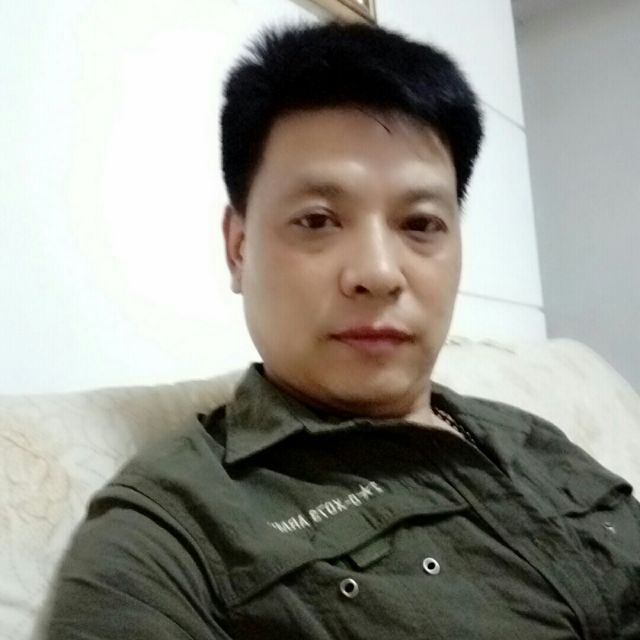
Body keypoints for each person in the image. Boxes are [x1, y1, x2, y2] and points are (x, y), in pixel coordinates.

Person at [41, 20, 640, 640]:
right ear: (239, 248)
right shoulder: (170, 538)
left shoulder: (529, 436)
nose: (378, 273)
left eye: (421, 224)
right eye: (318, 220)